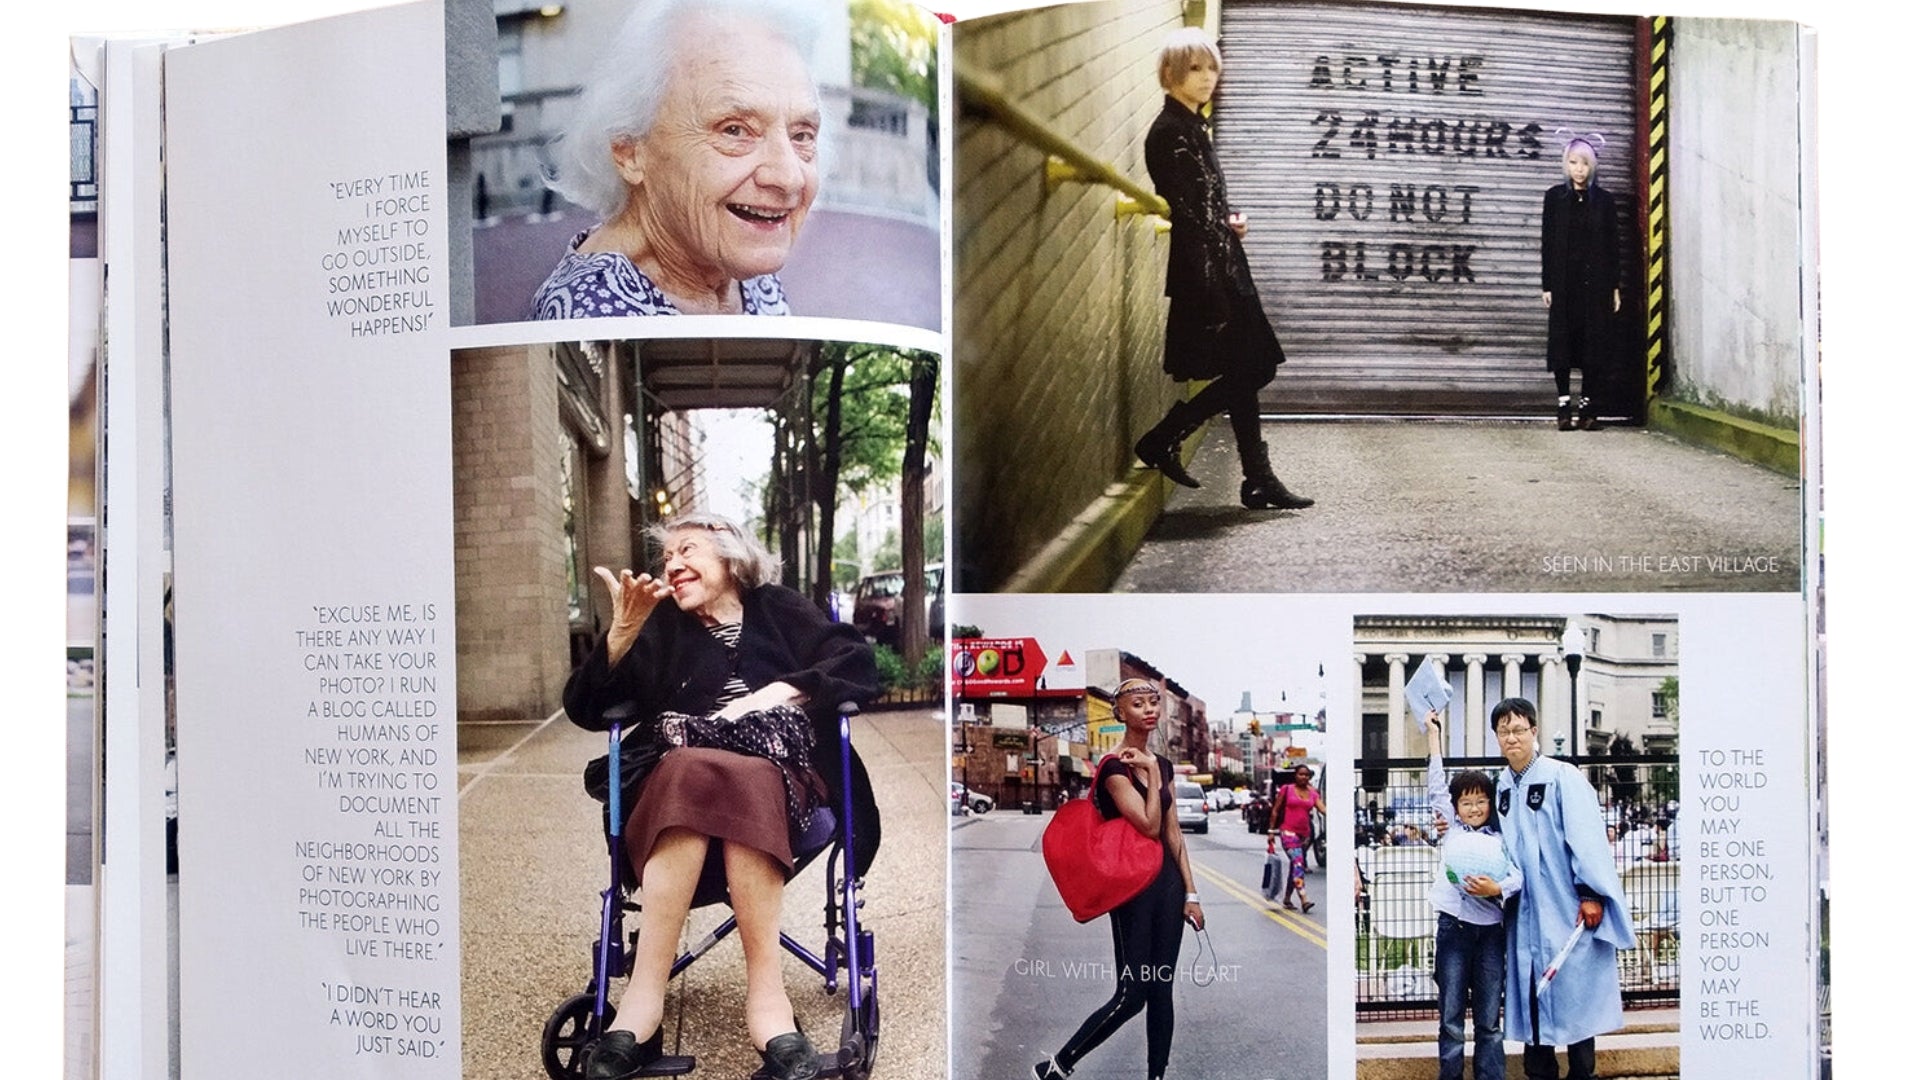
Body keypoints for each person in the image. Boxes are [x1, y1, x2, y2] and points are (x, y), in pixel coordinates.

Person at [563, 512, 879, 1080]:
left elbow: (857, 661)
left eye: (687, 551)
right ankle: (646, 1002)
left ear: (730, 560)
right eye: (666, 559)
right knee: (688, 764)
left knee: (747, 771)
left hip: (780, 784)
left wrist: (783, 692)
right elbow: (588, 709)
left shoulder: (778, 608)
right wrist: (622, 634)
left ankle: (765, 1002)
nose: (673, 566)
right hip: (675, 792)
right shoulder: (660, 626)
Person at [534, 0, 822, 318]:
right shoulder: (590, 319)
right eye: (735, 130)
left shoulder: (732, 260)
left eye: (802, 135)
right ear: (629, 151)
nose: (789, 177)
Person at [1132, 28, 1312, 511]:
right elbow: (1189, 220)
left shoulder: (1193, 126)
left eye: (1212, 67)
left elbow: (1203, 208)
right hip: (1209, 276)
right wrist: (1215, 293)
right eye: (1195, 68)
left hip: (1223, 264)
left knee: (1245, 367)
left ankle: (1258, 479)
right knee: (1258, 366)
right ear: (1170, 74)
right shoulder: (1170, 133)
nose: (1207, 77)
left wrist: (1231, 222)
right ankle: (1165, 437)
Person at [1034, 679, 1205, 1080]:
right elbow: (1148, 825)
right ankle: (1059, 1064)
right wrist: (1146, 770)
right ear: (1120, 713)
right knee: (1132, 994)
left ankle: (1156, 1076)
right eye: (1138, 703)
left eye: (1153, 702)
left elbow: (1172, 832)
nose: (1149, 709)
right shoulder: (1113, 767)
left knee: (1162, 989)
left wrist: (1191, 892)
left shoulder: (1161, 765)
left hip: (1168, 884)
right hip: (1132, 887)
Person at [1490, 698, 1635, 1080]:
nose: (1512, 738)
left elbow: (1586, 838)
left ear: (1534, 731)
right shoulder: (1502, 785)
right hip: (1523, 913)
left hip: (1564, 905)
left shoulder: (1560, 776)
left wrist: (1590, 893)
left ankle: (1582, 1073)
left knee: (1574, 993)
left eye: (1519, 729)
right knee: (1532, 993)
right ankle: (1540, 1073)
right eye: (1504, 731)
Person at [1424, 712, 1522, 1080]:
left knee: (1488, 1021)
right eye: (1467, 802)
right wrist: (1434, 736)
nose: (1475, 807)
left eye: (1482, 800)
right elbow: (1436, 784)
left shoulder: (1502, 838)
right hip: (1454, 929)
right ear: (1456, 806)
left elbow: (1519, 876)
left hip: (1491, 934)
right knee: (1450, 1019)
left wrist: (1498, 888)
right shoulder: (1451, 831)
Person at [1539, 136, 1622, 430]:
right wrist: (1547, 284)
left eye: (1584, 163)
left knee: (1593, 346)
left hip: (1595, 285)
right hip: (1564, 284)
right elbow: (1547, 243)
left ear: (1592, 166)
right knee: (1562, 344)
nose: (1578, 169)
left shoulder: (1605, 202)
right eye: (1573, 163)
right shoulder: (1554, 198)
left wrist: (1614, 286)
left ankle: (1588, 406)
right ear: (1566, 165)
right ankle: (1563, 404)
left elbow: (1613, 247)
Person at [1266, 763, 1326, 912]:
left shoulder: (1313, 793)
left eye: (1306, 775)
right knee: (1299, 863)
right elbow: (1275, 811)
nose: (1303, 777)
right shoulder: (1287, 790)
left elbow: (1322, 809)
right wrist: (1271, 831)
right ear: (1296, 775)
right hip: (1288, 833)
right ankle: (1304, 899)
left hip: (1304, 836)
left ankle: (1287, 899)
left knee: (1295, 866)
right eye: (1301, 774)